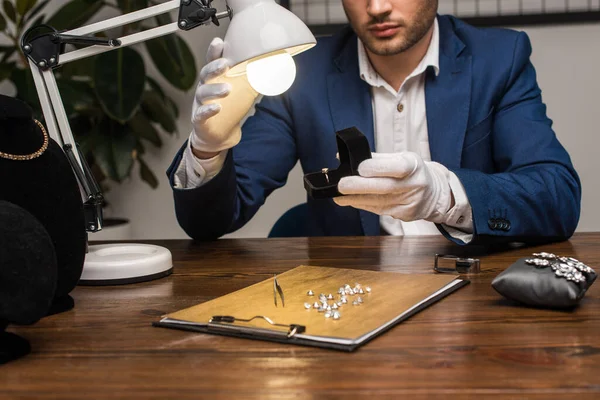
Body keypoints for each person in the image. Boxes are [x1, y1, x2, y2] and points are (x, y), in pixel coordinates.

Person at [167, 0, 581, 245]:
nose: (378, 6)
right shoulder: (301, 74)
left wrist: (444, 196)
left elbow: (557, 197)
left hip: (472, 303)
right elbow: (209, 224)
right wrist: (208, 148)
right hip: (348, 300)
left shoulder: (498, 58)